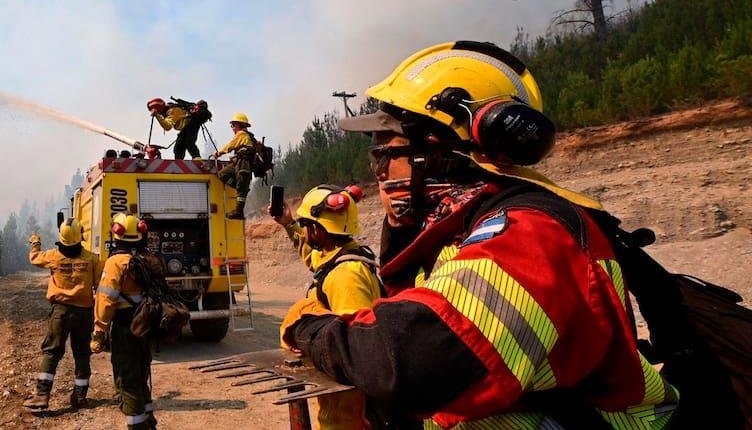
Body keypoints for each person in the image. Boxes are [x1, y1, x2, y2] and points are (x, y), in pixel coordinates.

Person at [281, 41, 677, 428]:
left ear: (435, 151)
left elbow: (409, 360)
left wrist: (309, 328)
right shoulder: (463, 232)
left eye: (384, 153)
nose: (377, 171)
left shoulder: (530, 231)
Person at [274, 185, 381, 429]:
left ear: (317, 229)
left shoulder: (346, 277)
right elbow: (315, 260)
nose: (303, 229)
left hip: (349, 417)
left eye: (305, 223)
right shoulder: (340, 257)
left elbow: (355, 351)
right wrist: (289, 224)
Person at [23, 221, 102, 412]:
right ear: (80, 236)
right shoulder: (92, 259)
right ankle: (80, 397)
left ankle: (42, 396)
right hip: (84, 313)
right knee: (82, 353)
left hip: (60, 312)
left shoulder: (53, 256)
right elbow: (99, 286)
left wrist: (35, 242)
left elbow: (34, 258)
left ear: (62, 237)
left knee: (51, 352)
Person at [91, 213, 157, 429]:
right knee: (140, 375)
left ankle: (136, 425)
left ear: (117, 234)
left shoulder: (115, 263)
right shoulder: (148, 259)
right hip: (146, 326)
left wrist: (99, 333)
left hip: (125, 328)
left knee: (127, 381)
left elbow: (105, 301)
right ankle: (149, 422)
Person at [214, 112, 256, 219]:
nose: (232, 128)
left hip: (244, 164)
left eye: (233, 125)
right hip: (238, 163)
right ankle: (240, 188)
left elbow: (230, 145)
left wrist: (219, 153)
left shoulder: (241, 134)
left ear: (238, 125)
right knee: (222, 174)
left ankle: (238, 212)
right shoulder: (245, 136)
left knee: (241, 188)